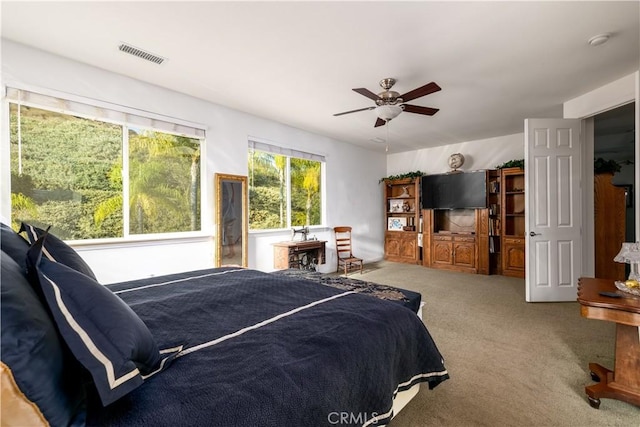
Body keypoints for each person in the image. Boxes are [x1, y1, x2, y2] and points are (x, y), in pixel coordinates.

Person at [222, 181, 236, 258]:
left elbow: (233, 195)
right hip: (228, 220)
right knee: (228, 237)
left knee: (229, 237)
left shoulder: (229, 202)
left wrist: (232, 187)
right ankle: (231, 252)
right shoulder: (225, 203)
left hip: (230, 220)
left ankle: (232, 252)